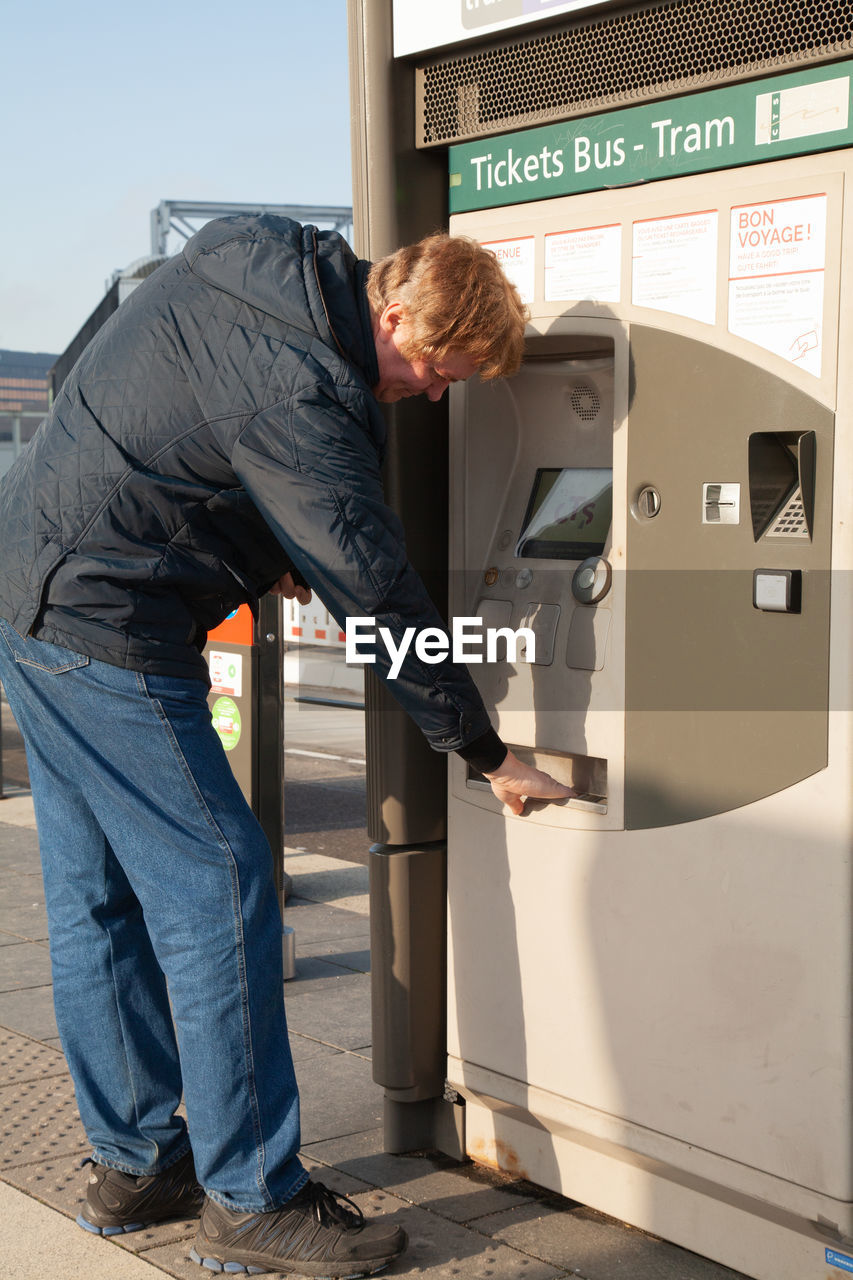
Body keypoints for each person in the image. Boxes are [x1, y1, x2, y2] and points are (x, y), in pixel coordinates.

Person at [0, 216, 572, 1277]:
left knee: (99, 897)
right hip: (107, 623)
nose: (432, 392)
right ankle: (252, 1197)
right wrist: (485, 751)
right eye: (432, 366)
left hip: (26, 586)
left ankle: (139, 1163)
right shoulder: (307, 394)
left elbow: (156, 407)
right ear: (392, 313)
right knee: (222, 879)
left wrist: (261, 540)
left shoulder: (248, 258)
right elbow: (377, 591)